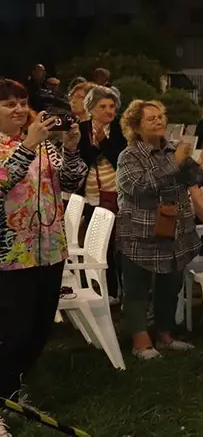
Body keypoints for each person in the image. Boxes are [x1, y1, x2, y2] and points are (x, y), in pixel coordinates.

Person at [0, 79, 86, 430]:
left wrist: (70, 149)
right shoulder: (25, 143)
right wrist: (27, 145)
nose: (19, 109)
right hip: (10, 254)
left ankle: (12, 388)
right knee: (12, 330)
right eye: (9, 104)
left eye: (22, 102)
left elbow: (70, 181)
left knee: (38, 328)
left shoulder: (43, 144)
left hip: (49, 249)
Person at [115, 100, 203, 360]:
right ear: (136, 126)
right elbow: (139, 187)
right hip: (141, 233)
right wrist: (175, 165)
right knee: (137, 288)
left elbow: (197, 178)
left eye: (160, 117)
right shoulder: (128, 156)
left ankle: (165, 335)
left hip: (177, 231)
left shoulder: (172, 149)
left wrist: (189, 166)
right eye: (151, 118)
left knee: (170, 284)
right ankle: (140, 341)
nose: (158, 121)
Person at [76, 85, 125, 301]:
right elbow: (83, 159)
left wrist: (103, 142)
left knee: (114, 243)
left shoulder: (120, 129)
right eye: (102, 106)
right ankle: (96, 286)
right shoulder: (81, 128)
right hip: (89, 192)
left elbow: (119, 159)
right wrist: (96, 147)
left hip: (114, 191)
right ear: (91, 108)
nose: (108, 111)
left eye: (111, 106)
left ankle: (115, 290)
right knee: (93, 240)